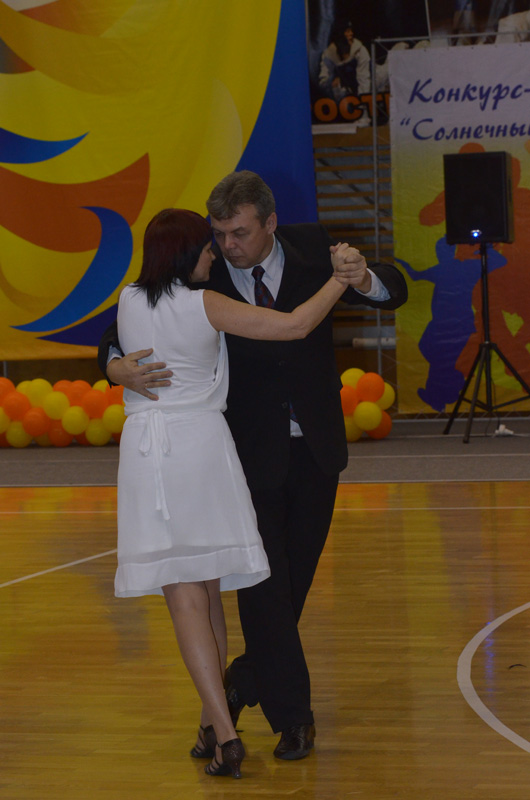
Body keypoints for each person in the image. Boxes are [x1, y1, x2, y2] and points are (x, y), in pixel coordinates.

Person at [99, 170, 408, 761]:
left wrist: (360, 275)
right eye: (218, 234)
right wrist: (116, 368)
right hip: (241, 457)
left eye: (239, 233)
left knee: (291, 588)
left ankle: (238, 683)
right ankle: (293, 719)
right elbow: (118, 333)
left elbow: (393, 290)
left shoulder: (314, 247)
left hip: (316, 447)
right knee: (264, 590)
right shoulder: (201, 281)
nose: (227, 246)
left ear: (270, 223)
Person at [319, 19, 371, 102]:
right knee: (337, 85)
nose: (351, 34)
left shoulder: (360, 50)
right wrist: (331, 81)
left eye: (351, 31)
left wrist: (363, 101)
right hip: (345, 88)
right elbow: (323, 81)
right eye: (347, 31)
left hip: (367, 83)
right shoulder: (328, 54)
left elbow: (364, 78)